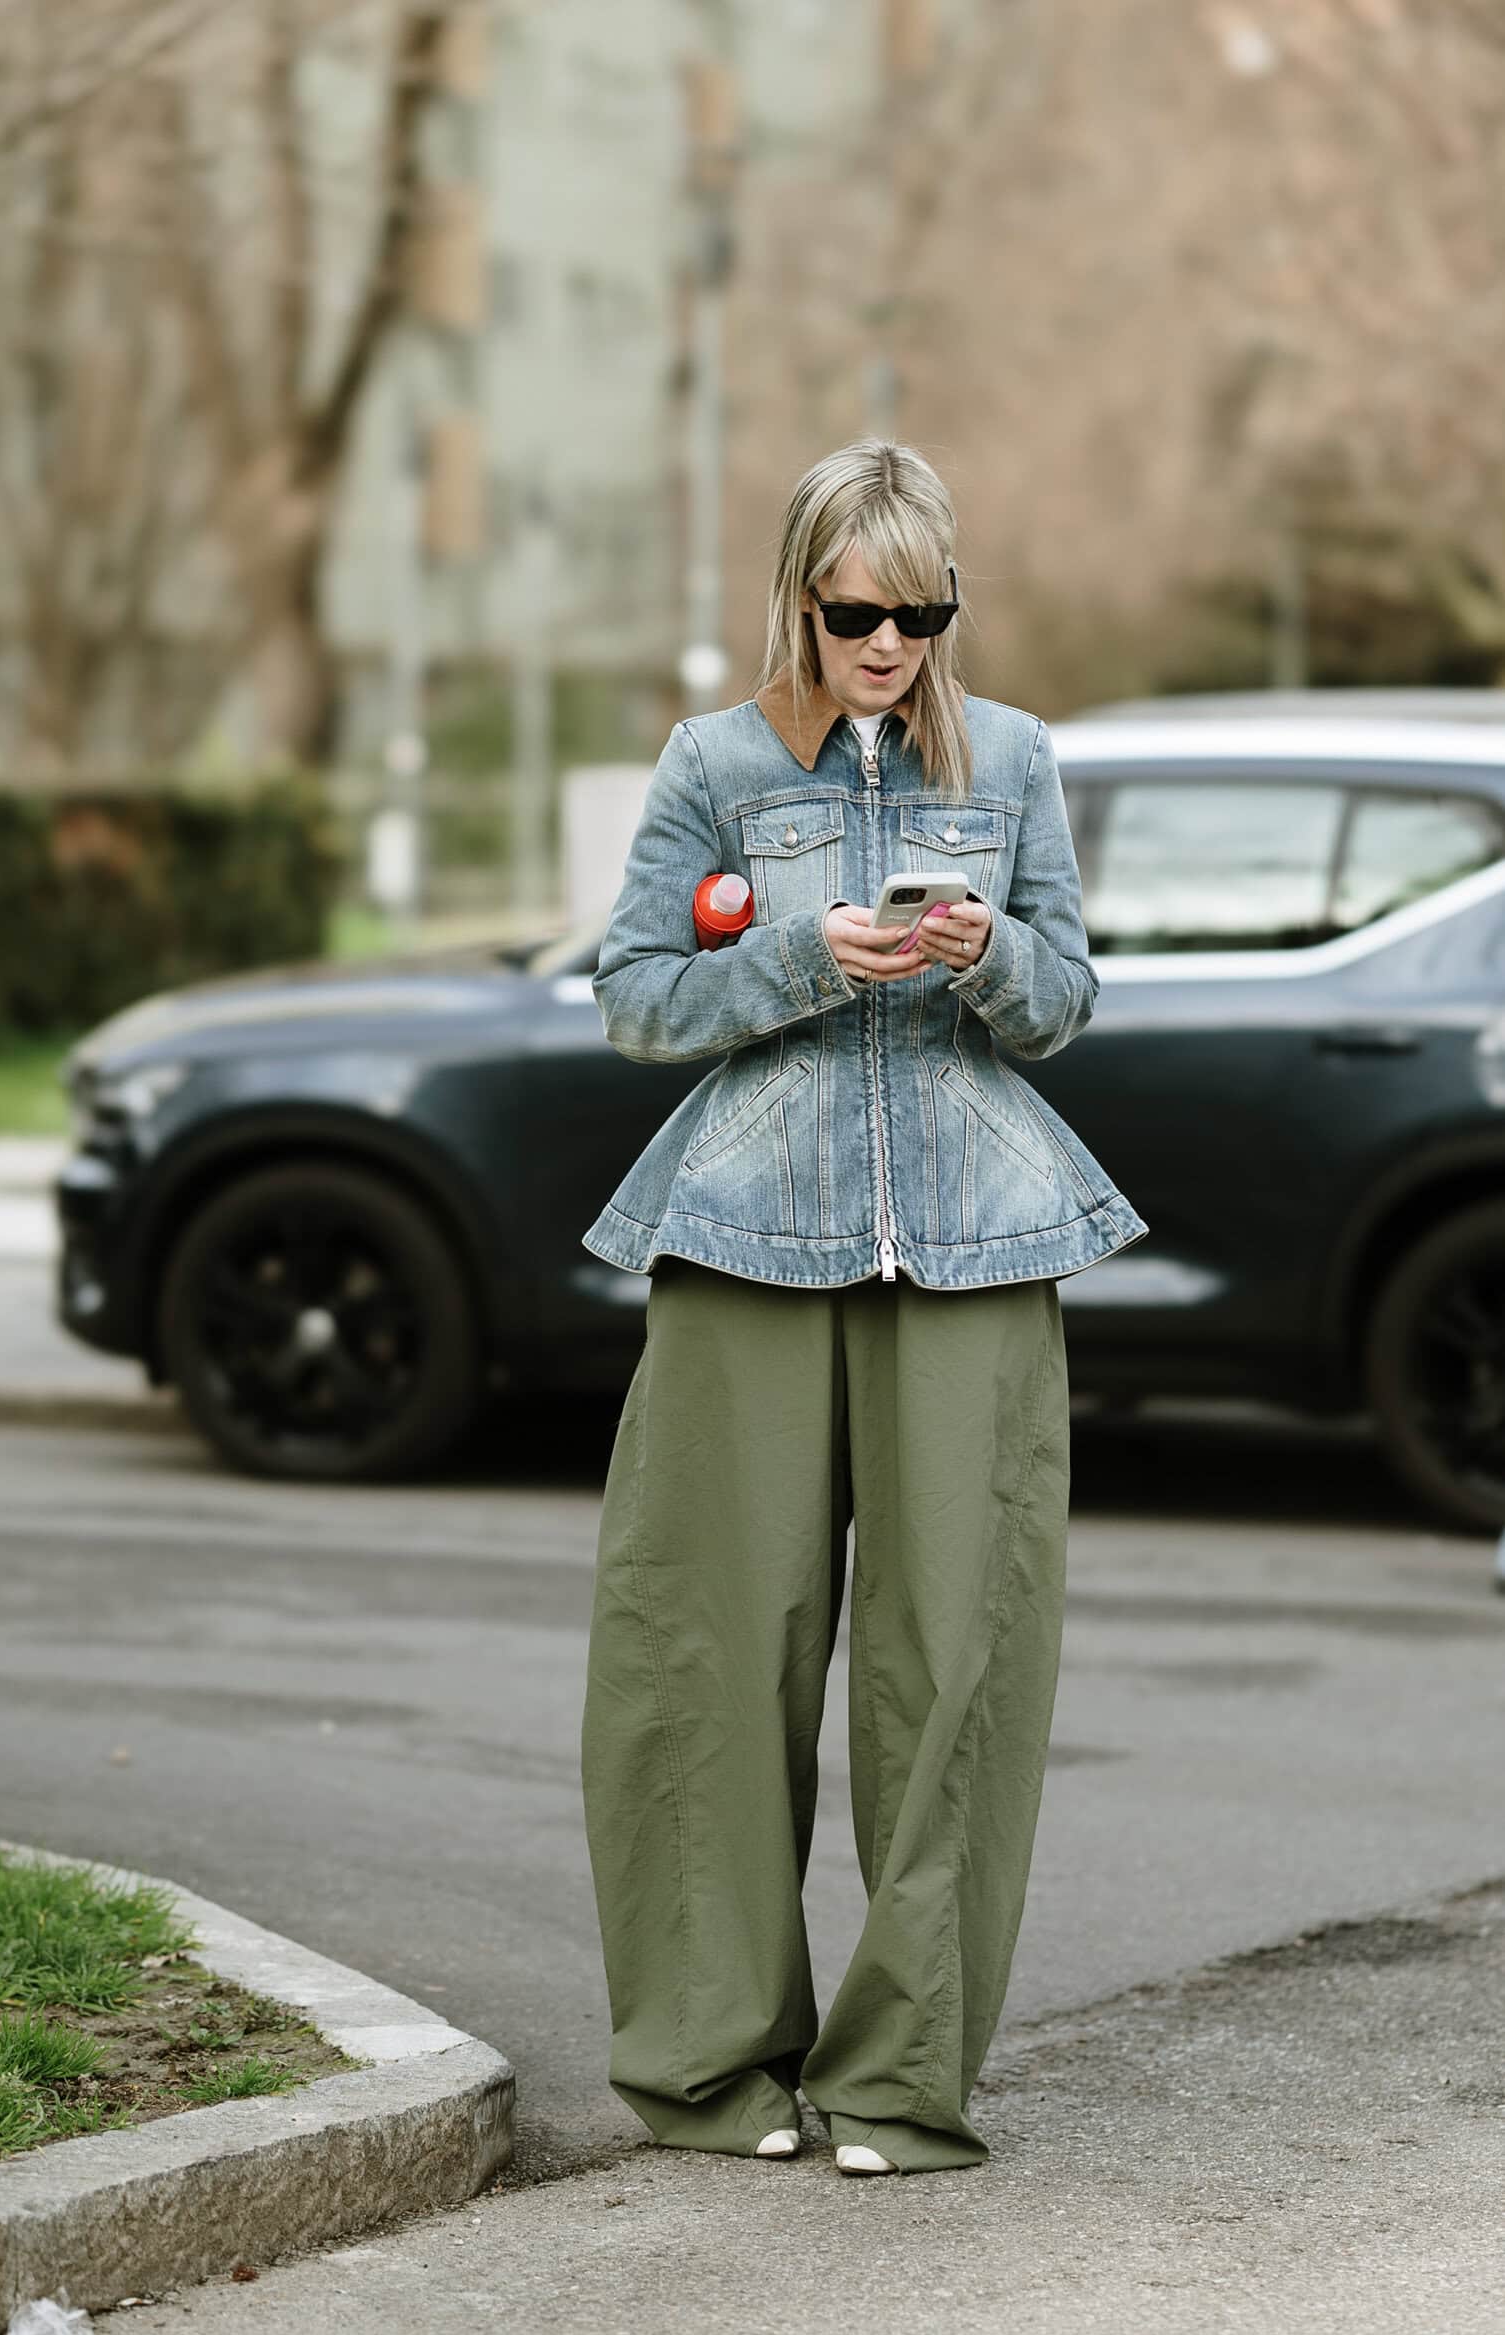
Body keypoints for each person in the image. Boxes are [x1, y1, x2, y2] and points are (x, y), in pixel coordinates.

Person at [579, 439, 1148, 2176]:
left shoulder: (1022, 763)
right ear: (799, 595)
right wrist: (800, 954)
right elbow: (635, 1002)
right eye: (855, 613)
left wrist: (986, 955)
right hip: (744, 1231)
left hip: (975, 1242)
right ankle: (708, 2070)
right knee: (708, 1660)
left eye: (921, 611)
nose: (889, 644)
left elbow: (1068, 999)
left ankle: (899, 2081)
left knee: (954, 1666)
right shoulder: (715, 762)